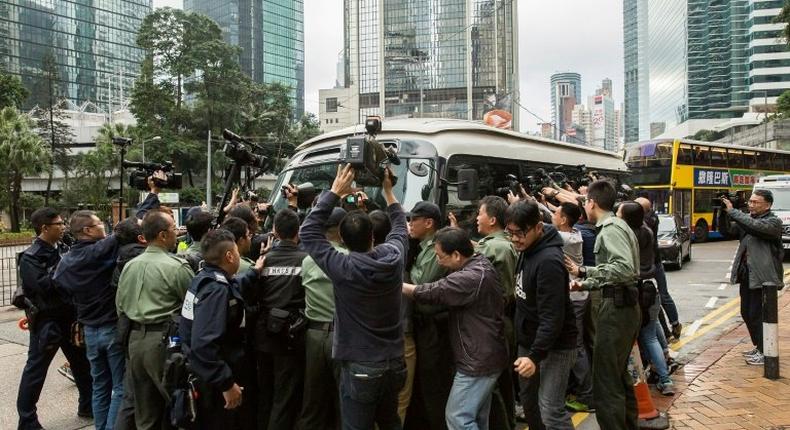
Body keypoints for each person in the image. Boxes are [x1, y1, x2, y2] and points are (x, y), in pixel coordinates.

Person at [300, 164, 408, 430]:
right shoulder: (393, 257)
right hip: (395, 362)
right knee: (391, 422)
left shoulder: (343, 267)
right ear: (373, 237)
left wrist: (335, 191)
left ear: (343, 242)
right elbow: (400, 228)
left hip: (360, 366)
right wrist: (388, 192)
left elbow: (308, 232)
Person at [54, 187, 161, 430]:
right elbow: (131, 225)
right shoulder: (100, 250)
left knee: (99, 385)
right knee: (120, 387)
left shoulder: (67, 261)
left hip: (89, 331)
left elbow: (59, 285)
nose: (104, 227)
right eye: (99, 223)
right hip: (111, 327)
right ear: (87, 230)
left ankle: (100, 426)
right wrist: (152, 194)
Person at [403, 227, 508, 430]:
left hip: (477, 361)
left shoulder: (470, 277)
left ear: (457, 255)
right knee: (476, 417)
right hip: (485, 355)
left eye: (440, 257)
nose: (439, 262)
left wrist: (397, 285)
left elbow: (434, 291)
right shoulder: (479, 264)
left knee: (458, 416)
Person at [566, 180, 641, 430]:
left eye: (585, 200)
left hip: (617, 307)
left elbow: (623, 268)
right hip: (623, 304)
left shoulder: (610, 228)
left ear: (592, 203)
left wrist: (584, 271)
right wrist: (585, 281)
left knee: (606, 381)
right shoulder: (618, 225)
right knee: (618, 375)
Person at [116, 209, 195, 430]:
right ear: (162, 235)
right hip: (164, 343)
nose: (177, 234)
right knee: (180, 407)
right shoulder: (176, 267)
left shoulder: (130, 266)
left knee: (145, 414)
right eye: (173, 229)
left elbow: (120, 305)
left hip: (134, 342)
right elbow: (192, 308)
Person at [180, 229, 265, 429]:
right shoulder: (215, 290)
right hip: (216, 381)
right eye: (236, 251)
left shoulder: (206, 277)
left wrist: (254, 272)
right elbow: (203, 343)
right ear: (229, 255)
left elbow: (233, 291)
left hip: (205, 374)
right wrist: (226, 383)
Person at [17, 208, 93, 430]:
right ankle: (27, 421)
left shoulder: (65, 249)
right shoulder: (30, 257)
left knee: (82, 366)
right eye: (59, 224)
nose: (63, 227)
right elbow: (45, 287)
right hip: (46, 322)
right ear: (45, 228)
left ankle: (87, 406)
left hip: (70, 318)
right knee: (36, 372)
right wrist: (67, 267)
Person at [506, 201, 578, 430]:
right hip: (530, 341)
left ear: (538, 228)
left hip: (556, 346)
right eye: (511, 233)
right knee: (530, 404)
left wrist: (534, 357)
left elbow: (552, 317)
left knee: (550, 409)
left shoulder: (548, 262)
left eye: (520, 233)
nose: (515, 239)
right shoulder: (527, 248)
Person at [450, 196, 518, 429]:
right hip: (503, 319)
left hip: (492, 322)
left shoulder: (494, 247)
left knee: (488, 393)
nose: (476, 218)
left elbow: (473, 259)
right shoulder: (501, 242)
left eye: (479, 213)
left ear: (492, 219)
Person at [248, 208, 307, 430]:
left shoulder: (262, 262)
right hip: (290, 338)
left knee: (266, 393)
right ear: (298, 232)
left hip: (263, 336)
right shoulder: (306, 261)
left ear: (274, 231)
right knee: (285, 397)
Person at [296, 207, 348, 430]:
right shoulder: (348, 258)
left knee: (312, 399)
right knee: (344, 397)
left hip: (314, 335)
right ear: (340, 229)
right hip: (342, 336)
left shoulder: (307, 261)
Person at [618, 202, 674, 396]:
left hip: (638, 289)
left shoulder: (627, 235)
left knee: (645, 337)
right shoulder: (647, 229)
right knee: (652, 333)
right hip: (651, 287)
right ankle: (665, 376)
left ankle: (660, 378)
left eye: (619, 212)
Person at [724, 190, 784, 365]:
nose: (751, 205)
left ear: (768, 205)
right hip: (747, 275)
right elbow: (728, 231)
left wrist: (734, 212)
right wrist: (721, 212)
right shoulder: (749, 220)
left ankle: (766, 352)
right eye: (750, 201)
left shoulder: (773, 222)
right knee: (746, 313)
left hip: (763, 277)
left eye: (755, 202)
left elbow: (755, 227)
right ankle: (759, 346)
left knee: (757, 314)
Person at [406, 201, 451, 429]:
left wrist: (407, 271)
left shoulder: (436, 247)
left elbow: (422, 283)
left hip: (434, 325)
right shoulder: (421, 245)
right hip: (421, 323)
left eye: (414, 220)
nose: (410, 224)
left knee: (434, 384)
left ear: (429, 222)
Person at [551, 202, 594, 412]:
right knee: (579, 344)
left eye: (555, 213)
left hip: (574, 297)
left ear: (564, 220)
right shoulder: (576, 233)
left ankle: (587, 396)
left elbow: (539, 226)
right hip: (581, 295)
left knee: (577, 347)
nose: (552, 215)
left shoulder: (564, 237)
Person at [635, 197, 682, 340]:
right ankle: (670, 329)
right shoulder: (650, 217)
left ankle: (674, 324)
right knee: (657, 298)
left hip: (652, 263)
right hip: (653, 262)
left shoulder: (649, 221)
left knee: (662, 296)